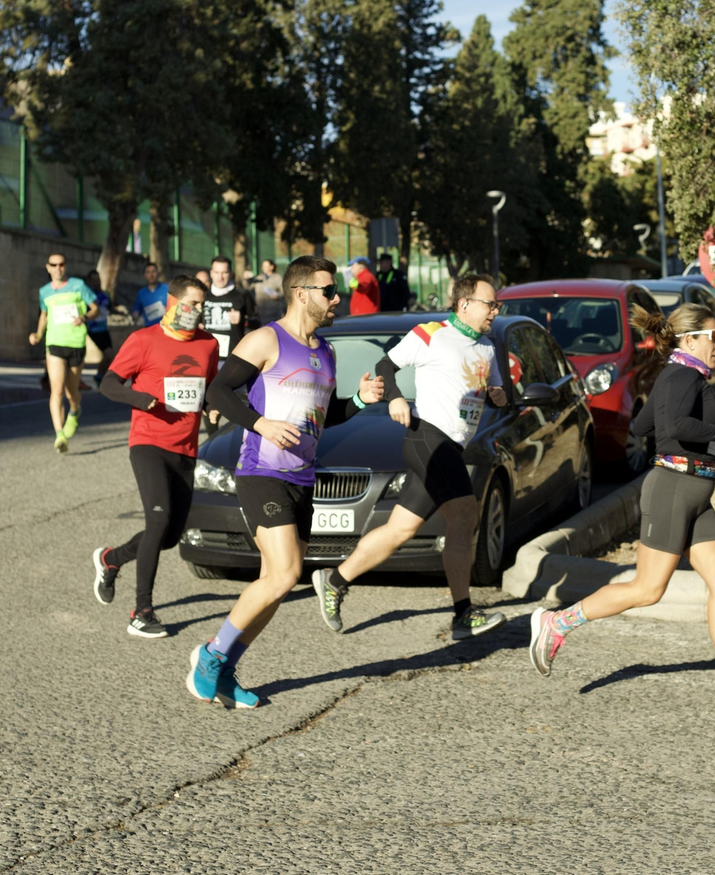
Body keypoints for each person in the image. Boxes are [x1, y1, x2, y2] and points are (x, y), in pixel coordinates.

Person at [527, 303, 715, 715]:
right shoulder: (683, 374)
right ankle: (556, 623)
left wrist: (675, 408)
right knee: (648, 590)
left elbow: (643, 426)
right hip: (674, 488)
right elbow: (677, 428)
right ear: (690, 339)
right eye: (713, 336)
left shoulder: (677, 375)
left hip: (696, 490)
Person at [189, 256, 384, 709]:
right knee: (287, 573)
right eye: (328, 291)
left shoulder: (327, 352)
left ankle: (227, 667)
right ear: (301, 294)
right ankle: (210, 656)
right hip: (262, 472)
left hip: (302, 478)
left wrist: (359, 399)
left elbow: (324, 416)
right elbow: (218, 392)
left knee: (273, 583)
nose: (336, 298)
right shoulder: (265, 340)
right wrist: (259, 425)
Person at [310, 273, 510, 642]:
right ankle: (463, 614)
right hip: (426, 436)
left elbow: (495, 388)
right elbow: (387, 366)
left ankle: (333, 580)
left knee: (401, 529)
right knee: (465, 511)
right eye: (490, 304)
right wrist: (396, 397)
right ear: (465, 304)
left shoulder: (487, 346)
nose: (495, 311)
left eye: (496, 305)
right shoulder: (430, 333)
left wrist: (498, 394)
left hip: (453, 444)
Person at [92, 275, 219, 638]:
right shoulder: (143, 340)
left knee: (167, 536)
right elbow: (108, 383)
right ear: (172, 302)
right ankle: (142, 611)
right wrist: (138, 399)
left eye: (201, 305)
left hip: (186, 449)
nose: (195, 312)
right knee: (158, 519)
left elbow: (207, 388)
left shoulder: (208, 344)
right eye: (190, 304)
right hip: (148, 443)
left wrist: (211, 407)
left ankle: (110, 559)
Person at [29, 253, 98, 453]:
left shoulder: (78, 285)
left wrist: (83, 317)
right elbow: (44, 314)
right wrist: (38, 334)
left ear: (65, 267)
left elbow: (96, 309)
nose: (58, 268)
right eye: (54, 265)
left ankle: (75, 411)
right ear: (48, 267)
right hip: (54, 343)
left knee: (71, 392)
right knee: (56, 389)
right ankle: (60, 434)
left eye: (61, 264)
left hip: (76, 343)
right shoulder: (44, 292)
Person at [203, 255, 257, 362]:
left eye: (224, 273)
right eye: (217, 272)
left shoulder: (242, 295)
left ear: (231, 273)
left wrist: (243, 320)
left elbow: (257, 323)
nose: (220, 277)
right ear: (211, 273)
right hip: (207, 357)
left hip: (232, 359)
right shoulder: (203, 295)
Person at [83, 269, 115, 384]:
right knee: (109, 354)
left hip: (104, 328)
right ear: (90, 281)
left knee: (110, 356)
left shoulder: (105, 294)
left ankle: (100, 376)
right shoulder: (88, 296)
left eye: (98, 280)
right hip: (94, 330)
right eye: (94, 280)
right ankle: (102, 376)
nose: (97, 282)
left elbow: (111, 308)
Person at [134, 263, 168, 329]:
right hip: (149, 329)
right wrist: (137, 317)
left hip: (165, 328)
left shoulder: (167, 289)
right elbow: (136, 312)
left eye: (153, 271)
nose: (151, 275)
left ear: (157, 273)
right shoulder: (141, 293)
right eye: (148, 272)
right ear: (145, 275)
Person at [253, 258, 286, 325]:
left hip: (274, 312)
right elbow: (247, 286)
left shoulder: (277, 278)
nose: (264, 268)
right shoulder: (259, 278)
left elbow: (284, 291)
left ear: (271, 267)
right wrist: (246, 279)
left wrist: (277, 296)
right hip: (261, 312)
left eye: (266, 266)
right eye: (263, 266)